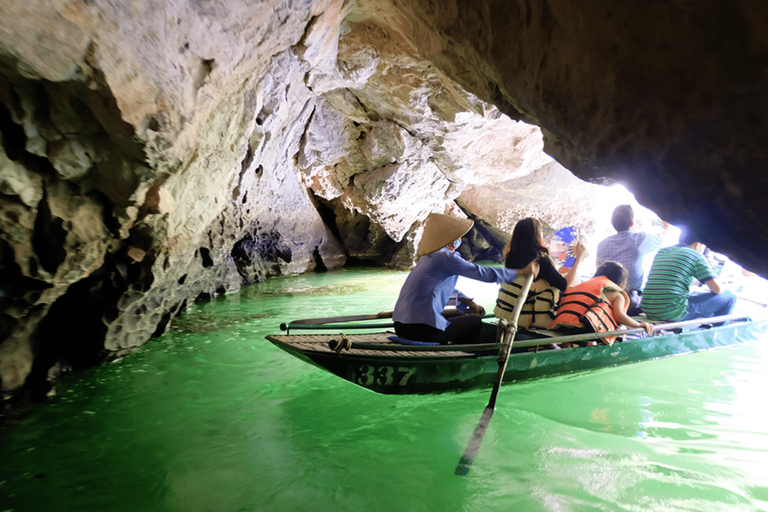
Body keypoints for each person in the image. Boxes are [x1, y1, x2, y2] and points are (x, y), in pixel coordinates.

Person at [393, 213, 539, 344]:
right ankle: (464, 355)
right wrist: (519, 273)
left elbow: (440, 290)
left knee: (461, 313)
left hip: (400, 325)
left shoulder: (428, 258)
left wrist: (467, 301)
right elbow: (482, 273)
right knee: (474, 320)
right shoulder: (446, 258)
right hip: (419, 329)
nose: (460, 239)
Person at [494, 218, 585, 329]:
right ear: (537, 236)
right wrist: (578, 258)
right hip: (533, 319)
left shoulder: (510, 258)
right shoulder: (540, 261)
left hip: (506, 314)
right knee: (575, 284)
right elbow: (564, 286)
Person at [640, 226, 737, 322]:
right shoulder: (696, 255)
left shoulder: (663, 251)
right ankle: (716, 333)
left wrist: (698, 282)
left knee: (694, 296)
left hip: (648, 308)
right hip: (671, 311)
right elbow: (717, 289)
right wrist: (716, 278)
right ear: (698, 244)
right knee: (730, 296)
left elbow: (673, 279)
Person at [548, 261, 655, 346]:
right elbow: (619, 316)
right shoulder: (616, 293)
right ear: (621, 284)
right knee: (619, 330)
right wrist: (639, 324)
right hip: (585, 327)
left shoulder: (584, 285)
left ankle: (567, 347)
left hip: (562, 325)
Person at [596, 205, 670, 315]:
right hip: (631, 301)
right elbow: (663, 240)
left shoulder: (602, 244)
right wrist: (666, 227)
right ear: (632, 223)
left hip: (606, 299)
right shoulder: (639, 239)